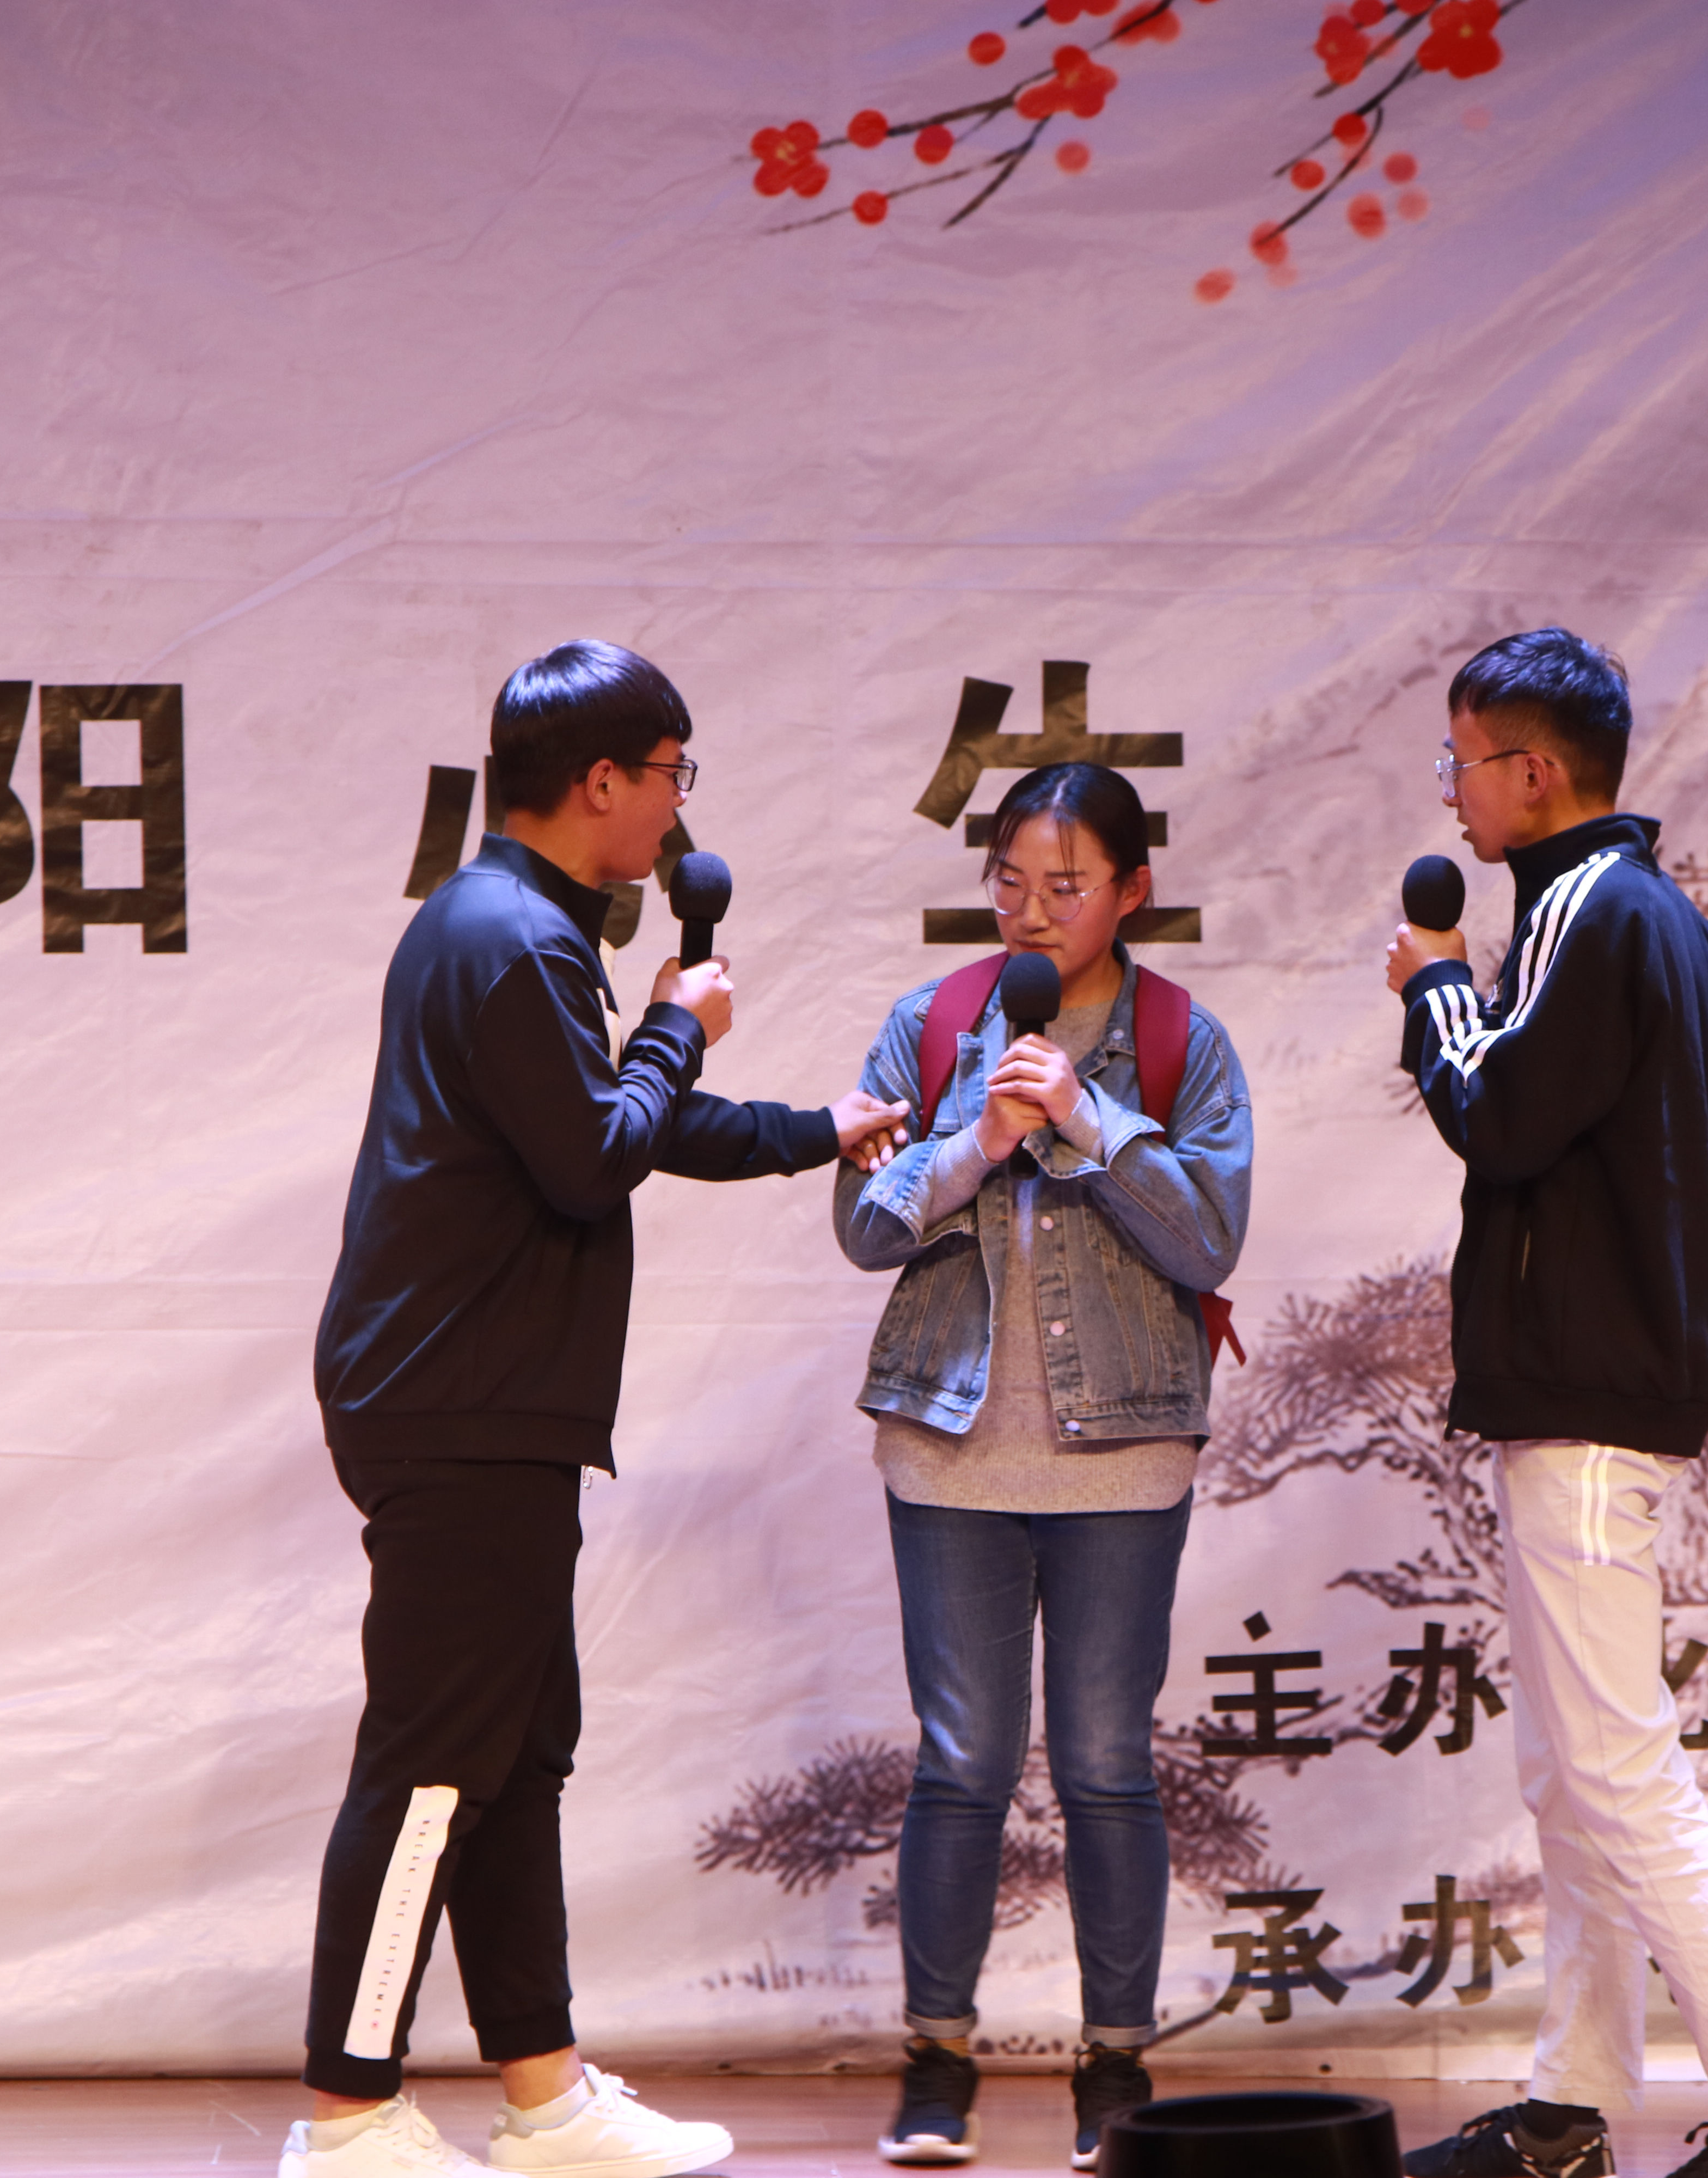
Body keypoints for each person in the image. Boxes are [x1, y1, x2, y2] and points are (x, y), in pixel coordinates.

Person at [287, 642, 910, 2178]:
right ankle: (349, 2116)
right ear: (603, 781)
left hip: (485, 1402)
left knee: (514, 1754)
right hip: (459, 1402)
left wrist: (814, 1126)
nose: (680, 811)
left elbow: (615, 1122)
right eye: (674, 776)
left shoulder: (515, 928)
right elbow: (593, 1157)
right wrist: (682, 1018)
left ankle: (545, 2097)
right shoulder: (512, 939)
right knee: (435, 1767)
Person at [1382, 632, 1708, 2178]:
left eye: (1463, 762)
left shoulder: (1599, 911)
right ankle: (1567, 2114)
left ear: (1533, 773)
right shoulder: (1640, 916)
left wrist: (1435, 990)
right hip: (1592, 1395)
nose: (1450, 793)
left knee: (1619, 1769)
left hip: (1591, 1405)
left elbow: (1502, 1118)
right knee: (1573, 1775)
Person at [833, 762, 1253, 2173]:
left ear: (1133, 891)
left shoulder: (1181, 1040)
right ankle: (936, 2060)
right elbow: (865, 1229)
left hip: (1123, 1454)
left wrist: (1090, 1116)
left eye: (1064, 886)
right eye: (1009, 882)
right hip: (949, 1451)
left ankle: (1115, 2066)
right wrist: (979, 1139)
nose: (1029, 911)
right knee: (961, 1762)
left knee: (1106, 1764)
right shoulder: (931, 1023)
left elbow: (1209, 1240)